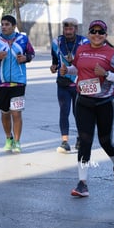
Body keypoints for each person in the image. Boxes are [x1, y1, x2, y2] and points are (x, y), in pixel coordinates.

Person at [60, 20, 114, 197]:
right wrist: (67, 69)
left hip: (105, 102)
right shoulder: (82, 50)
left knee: (105, 141)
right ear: (89, 33)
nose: (97, 34)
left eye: (101, 32)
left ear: (105, 35)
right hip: (84, 101)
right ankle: (82, 183)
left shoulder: (111, 53)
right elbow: (78, 69)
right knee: (85, 141)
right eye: (93, 31)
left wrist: (106, 74)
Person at [0, 15, 35, 154]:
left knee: (16, 113)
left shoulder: (23, 39)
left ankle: (18, 142)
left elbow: (31, 54)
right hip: (2, 83)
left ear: (14, 26)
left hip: (19, 82)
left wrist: (26, 58)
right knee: (5, 113)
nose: (4, 26)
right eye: (2, 24)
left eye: (7, 24)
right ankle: (9, 138)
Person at [50, 18, 89, 153]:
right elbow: (55, 60)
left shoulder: (84, 42)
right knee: (64, 111)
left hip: (79, 83)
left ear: (76, 29)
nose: (67, 31)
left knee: (78, 113)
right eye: (65, 29)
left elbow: (88, 61)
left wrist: (76, 61)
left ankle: (80, 138)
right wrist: (54, 67)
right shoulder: (57, 42)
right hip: (63, 83)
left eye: (70, 29)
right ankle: (65, 141)